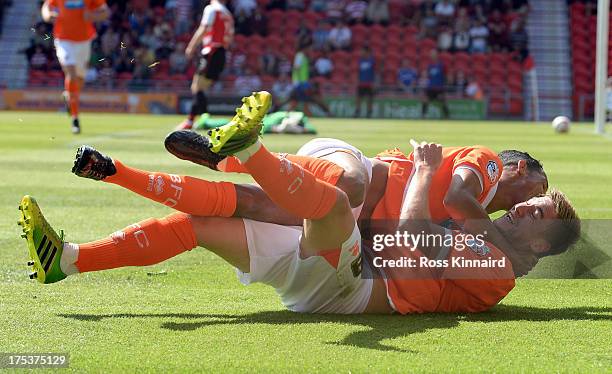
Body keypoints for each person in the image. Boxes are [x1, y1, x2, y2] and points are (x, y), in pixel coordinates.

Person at [19, 105, 579, 315]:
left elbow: (407, 234)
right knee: (204, 225)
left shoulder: (495, 266)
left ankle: (243, 153)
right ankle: (68, 258)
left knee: (335, 201)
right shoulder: (482, 222)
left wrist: (427, 169)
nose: (525, 210)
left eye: (537, 217)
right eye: (531, 201)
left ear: (539, 249)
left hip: (348, 287)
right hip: (338, 241)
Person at [41, 0, 110, 134]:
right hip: (63, 39)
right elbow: (47, 6)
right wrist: (47, 15)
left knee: (79, 79)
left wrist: (93, 16)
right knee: (71, 74)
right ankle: (75, 118)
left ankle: (68, 96)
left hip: (84, 41)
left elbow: (106, 12)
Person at [177, 0, 234, 130]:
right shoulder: (227, 14)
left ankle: (191, 121)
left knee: (197, 87)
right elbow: (230, 37)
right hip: (222, 53)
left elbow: (203, 28)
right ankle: (203, 118)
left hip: (211, 51)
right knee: (201, 88)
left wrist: (191, 46)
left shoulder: (211, 9)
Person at [422, 49, 449, 118]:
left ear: (437, 55)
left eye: (433, 54)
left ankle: (447, 116)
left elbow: (447, 75)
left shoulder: (442, 65)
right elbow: (427, 76)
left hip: (439, 87)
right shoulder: (429, 66)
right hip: (431, 87)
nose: (432, 55)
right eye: (431, 54)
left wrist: (446, 83)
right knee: (425, 100)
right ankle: (423, 115)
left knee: (443, 101)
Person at [354, 46, 376, 117]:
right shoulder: (360, 61)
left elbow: (376, 72)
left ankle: (369, 113)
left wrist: (375, 83)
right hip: (361, 83)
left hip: (369, 83)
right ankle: (357, 112)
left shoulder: (372, 61)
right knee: (358, 98)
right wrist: (357, 80)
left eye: (362, 51)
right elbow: (358, 72)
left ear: (367, 52)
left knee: (369, 99)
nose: (361, 53)